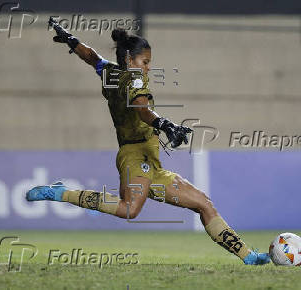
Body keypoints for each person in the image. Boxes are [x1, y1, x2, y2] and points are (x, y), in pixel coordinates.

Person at [26, 18, 270, 265]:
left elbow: (92, 57)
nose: (148, 67)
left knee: (203, 203)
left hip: (151, 162)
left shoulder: (110, 72)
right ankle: (62, 193)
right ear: (130, 60)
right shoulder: (135, 79)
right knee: (129, 209)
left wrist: (71, 40)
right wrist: (164, 124)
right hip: (135, 154)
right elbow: (142, 108)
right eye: (145, 62)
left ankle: (248, 256)